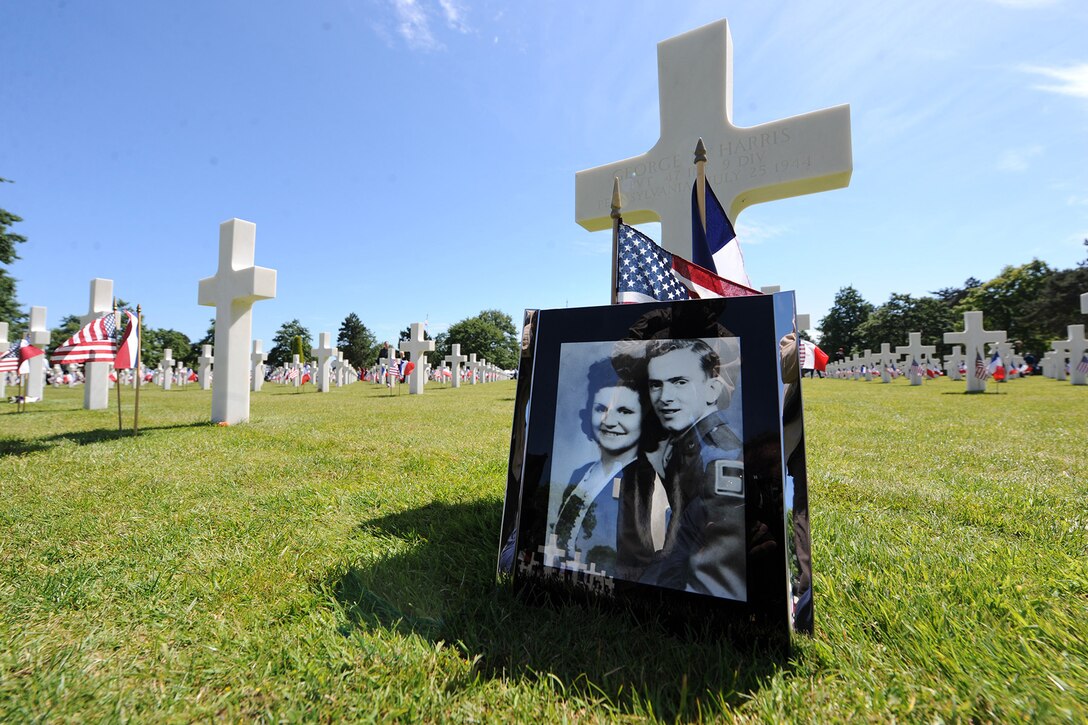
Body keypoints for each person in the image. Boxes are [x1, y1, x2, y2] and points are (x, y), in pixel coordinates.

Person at [639, 338, 746, 601]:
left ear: (711, 390)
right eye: (656, 385)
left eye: (680, 382)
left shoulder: (720, 458)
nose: (664, 398)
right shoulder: (683, 441)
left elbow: (713, 575)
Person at [548, 358, 659, 580]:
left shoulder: (644, 478)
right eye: (601, 408)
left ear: (644, 420)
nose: (609, 421)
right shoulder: (580, 473)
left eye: (625, 411)